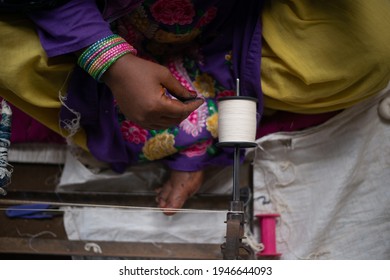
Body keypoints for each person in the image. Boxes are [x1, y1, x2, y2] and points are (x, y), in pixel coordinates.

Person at [0, 0, 389, 215]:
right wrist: (109, 61)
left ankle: (204, 115)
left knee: (374, 43)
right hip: (84, 27)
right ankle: (196, 124)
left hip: (234, 28)